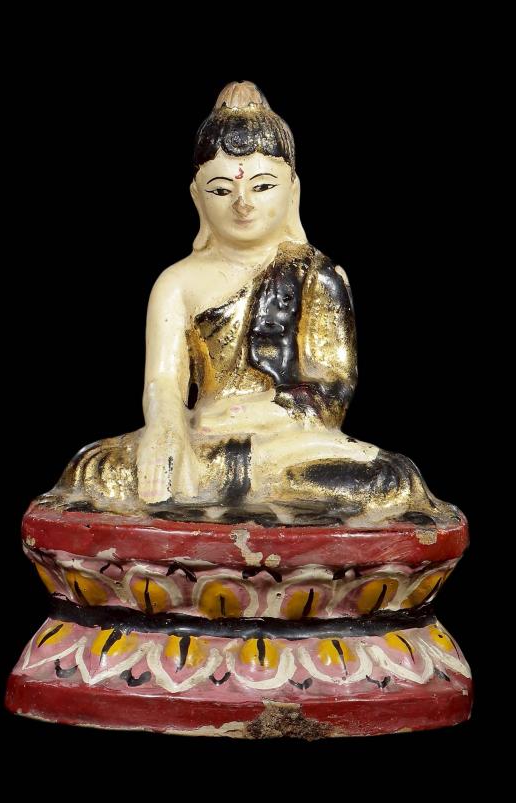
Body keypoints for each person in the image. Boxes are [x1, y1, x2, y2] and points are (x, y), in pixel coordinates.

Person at [45, 81, 459, 527]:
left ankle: (213, 502)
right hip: (201, 437)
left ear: (293, 191)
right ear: (197, 197)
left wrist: (262, 413)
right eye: (222, 190)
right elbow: (162, 382)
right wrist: (166, 431)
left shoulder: (317, 274)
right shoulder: (176, 282)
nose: (243, 204)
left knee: (390, 480)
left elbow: (331, 390)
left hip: (287, 442)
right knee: (91, 469)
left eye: (262, 186)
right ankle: (253, 504)